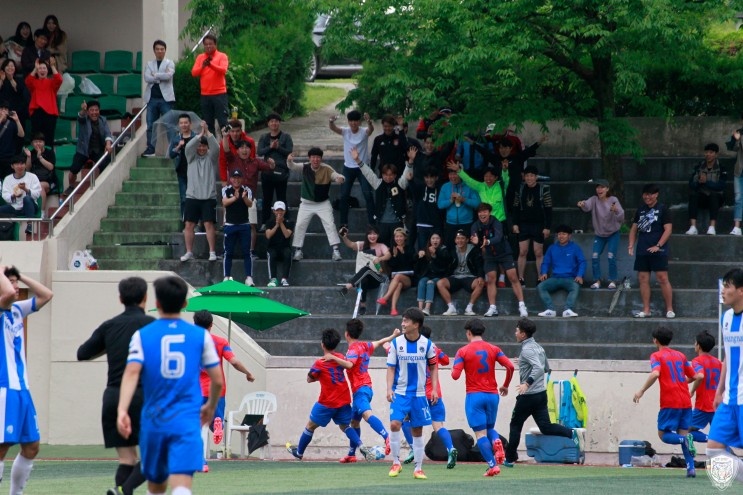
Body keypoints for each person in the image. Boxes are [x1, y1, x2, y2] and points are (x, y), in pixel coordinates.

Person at [117, 276, 223, 495]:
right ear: (185, 303)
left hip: (154, 419)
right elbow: (217, 379)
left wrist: (122, 410)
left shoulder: (142, 335)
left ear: (156, 303)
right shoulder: (201, 336)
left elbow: (131, 373)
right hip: (186, 420)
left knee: (156, 486)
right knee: (181, 485)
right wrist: (211, 406)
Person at [76, 277, 154, 495]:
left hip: (113, 396)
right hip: (143, 396)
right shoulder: (152, 325)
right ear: (145, 297)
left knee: (127, 458)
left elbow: (82, 353)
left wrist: (109, 347)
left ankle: (121, 490)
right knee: (154, 454)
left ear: (120, 298)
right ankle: (123, 490)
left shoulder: (109, 326)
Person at [0, 265, 53, 494]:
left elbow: (47, 295)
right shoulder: (1, 307)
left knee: (32, 446)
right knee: (2, 447)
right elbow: (7, 294)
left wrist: (20, 275)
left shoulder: (16, 310)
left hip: (22, 388)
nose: (15, 286)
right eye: (10, 281)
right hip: (4, 388)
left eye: (16, 282)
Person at [286, 328, 376, 462]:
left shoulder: (319, 363)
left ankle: (299, 453)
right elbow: (348, 365)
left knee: (310, 426)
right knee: (345, 426)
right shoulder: (340, 357)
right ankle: (361, 445)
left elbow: (309, 379)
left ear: (322, 344)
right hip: (344, 399)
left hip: (327, 402)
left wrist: (320, 377)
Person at [504, 318, 584, 467]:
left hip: (528, 396)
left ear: (523, 334)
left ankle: (509, 459)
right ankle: (571, 433)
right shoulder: (538, 347)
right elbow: (546, 367)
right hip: (541, 395)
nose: (515, 333)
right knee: (546, 427)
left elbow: (539, 368)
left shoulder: (527, 350)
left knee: (515, 425)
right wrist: (523, 363)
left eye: (517, 330)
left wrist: (527, 383)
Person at [632, 326, 701, 478]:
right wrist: (681, 382)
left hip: (670, 401)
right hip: (685, 400)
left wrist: (641, 391)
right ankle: (691, 468)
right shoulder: (681, 355)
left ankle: (685, 439)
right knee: (683, 433)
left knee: (663, 434)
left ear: (655, 340)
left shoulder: (656, 356)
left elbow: (655, 373)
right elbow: (695, 376)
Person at [192, 310, 255, 472]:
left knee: (196, 428)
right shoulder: (221, 342)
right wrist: (248, 373)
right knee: (215, 424)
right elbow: (234, 362)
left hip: (197, 391)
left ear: (195, 324)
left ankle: (201, 462)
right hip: (218, 389)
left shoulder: (189, 342)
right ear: (211, 325)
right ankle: (217, 422)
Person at [452, 318, 515, 476]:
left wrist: (456, 365)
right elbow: (510, 366)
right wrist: (505, 385)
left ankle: (493, 465)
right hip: (493, 395)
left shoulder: (463, 351)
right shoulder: (494, 349)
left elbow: (455, 375)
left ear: (468, 333)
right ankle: (496, 441)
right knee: (490, 429)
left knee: (480, 434)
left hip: (475, 396)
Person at [386, 307, 439, 480]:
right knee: (395, 424)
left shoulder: (427, 344)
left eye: (406, 321)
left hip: (419, 394)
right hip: (400, 393)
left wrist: (435, 389)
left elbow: (434, 367)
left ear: (416, 324)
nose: (402, 324)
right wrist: (388, 388)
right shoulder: (396, 343)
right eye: (403, 320)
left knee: (417, 430)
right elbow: (391, 368)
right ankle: (396, 462)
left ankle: (418, 468)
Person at [340, 319, 399, 463]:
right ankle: (351, 454)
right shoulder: (364, 345)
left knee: (367, 415)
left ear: (346, 334)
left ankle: (387, 438)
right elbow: (379, 342)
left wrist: (334, 359)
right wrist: (392, 336)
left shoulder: (353, 350)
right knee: (354, 422)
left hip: (361, 389)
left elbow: (349, 364)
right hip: (364, 388)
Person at [705, 268, 743, 483]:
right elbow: (728, 356)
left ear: (741, 291)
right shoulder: (726, 318)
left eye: (727, 286)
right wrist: (719, 391)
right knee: (713, 452)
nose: (723, 291)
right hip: (729, 399)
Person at [402, 325, 457, 468]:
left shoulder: (413, 349)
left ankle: (413, 448)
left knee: (406, 420)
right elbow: (446, 361)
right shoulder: (434, 348)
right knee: (438, 426)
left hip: (418, 395)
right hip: (435, 393)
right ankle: (450, 448)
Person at [221, 131, 274, 261]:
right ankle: (226, 251)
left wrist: (272, 164)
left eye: (247, 148)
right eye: (242, 148)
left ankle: (251, 251)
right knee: (228, 225)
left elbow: (269, 167)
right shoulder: (232, 159)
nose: (244, 150)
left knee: (251, 225)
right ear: (237, 150)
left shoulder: (255, 162)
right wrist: (225, 136)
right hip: (232, 196)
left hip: (249, 197)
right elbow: (226, 150)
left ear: (251, 150)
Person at [470, 202, 529, 318]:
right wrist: (475, 241)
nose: (482, 214)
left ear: (489, 213)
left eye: (485, 212)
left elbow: (498, 237)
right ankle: (493, 307)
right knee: (491, 279)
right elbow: (474, 236)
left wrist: (487, 242)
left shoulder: (496, 222)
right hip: (489, 255)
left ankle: (522, 306)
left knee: (513, 277)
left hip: (504, 252)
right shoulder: (475, 225)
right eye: (480, 212)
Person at [286, 148, 344, 262]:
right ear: (309, 158)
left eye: (318, 157)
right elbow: (292, 166)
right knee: (300, 225)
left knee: (330, 224)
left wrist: (340, 178)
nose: (315, 160)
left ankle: (336, 251)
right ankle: (298, 250)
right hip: (306, 204)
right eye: (313, 157)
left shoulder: (327, 168)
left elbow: (336, 176)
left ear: (321, 159)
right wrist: (289, 160)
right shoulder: (305, 167)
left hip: (323, 203)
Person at [350, 145, 414, 246]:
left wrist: (410, 161)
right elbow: (368, 174)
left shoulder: (400, 183)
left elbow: (406, 175)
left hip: (397, 223)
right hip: (381, 223)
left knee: (398, 248)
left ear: (395, 175)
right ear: (382, 174)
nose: (388, 177)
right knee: (382, 249)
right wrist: (357, 160)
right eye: (385, 175)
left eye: (390, 175)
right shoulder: (378, 183)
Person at [628, 183, 675, 319]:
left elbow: (668, 229)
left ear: (656, 195)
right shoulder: (640, 210)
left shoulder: (663, 209)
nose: (647, 197)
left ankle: (669, 309)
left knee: (662, 278)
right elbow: (634, 229)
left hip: (658, 250)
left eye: (650, 194)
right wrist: (631, 245)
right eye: (645, 194)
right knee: (643, 278)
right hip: (642, 249)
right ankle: (646, 309)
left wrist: (658, 245)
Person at [180, 121, 219, 262]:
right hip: (192, 196)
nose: (201, 148)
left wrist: (207, 133)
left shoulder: (211, 157)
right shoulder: (191, 157)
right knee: (189, 225)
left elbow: (216, 147)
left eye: (204, 146)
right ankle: (189, 252)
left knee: (209, 224)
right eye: (199, 146)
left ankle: (212, 252)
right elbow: (188, 147)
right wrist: (199, 135)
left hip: (209, 197)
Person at [329, 110, 375, 228]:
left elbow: (371, 130)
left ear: (359, 122)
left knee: (368, 194)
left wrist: (369, 122)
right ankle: (343, 224)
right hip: (348, 168)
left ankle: (372, 223)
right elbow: (334, 128)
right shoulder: (346, 131)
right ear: (348, 122)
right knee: (344, 195)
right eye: (351, 121)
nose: (353, 123)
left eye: (356, 121)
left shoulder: (364, 131)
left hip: (363, 167)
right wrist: (331, 121)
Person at [577, 179, 625, 289]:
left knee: (611, 256)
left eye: (602, 187)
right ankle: (597, 280)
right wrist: (582, 204)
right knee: (594, 256)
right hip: (599, 234)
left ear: (607, 189)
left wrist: (616, 210)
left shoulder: (613, 200)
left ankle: (613, 280)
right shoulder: (594, 199)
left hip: (613, 233)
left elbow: (621, 217)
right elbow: (587, 206)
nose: (599, 190)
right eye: (598, 187)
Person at [512, 165, 552, 286]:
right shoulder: (520, 189)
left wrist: (547, 227)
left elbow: (548, 209)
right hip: (523, 224)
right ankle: (520, 278)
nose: (529, 178)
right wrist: (515, 223)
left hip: (538, 224)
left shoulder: (543, 189)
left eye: (532, 176)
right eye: (527, 176)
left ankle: (541, 277)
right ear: (524, 177)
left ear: (536, 177)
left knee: (538, 252)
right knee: (522, 251)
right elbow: (515, 208)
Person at [339, 225, 391, 316]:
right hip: (363, 278)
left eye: (374, 234)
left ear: (378, 235)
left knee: (367, 269)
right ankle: (363, 306)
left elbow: (388, 255)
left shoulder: (381, 246)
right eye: (370, 234)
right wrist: (344, 237)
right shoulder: (362, 245)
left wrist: (380, 258)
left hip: (377, 278)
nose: (372, 236)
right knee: (363, 279)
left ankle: (349, 286)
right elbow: (350, 244)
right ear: (367, 235)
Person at [536, 225, 586, 318]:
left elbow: (582, 262)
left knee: (575, 286)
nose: (561, 236)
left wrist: (579, 275)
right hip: (555, 278)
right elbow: (546, 262)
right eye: (559, 234)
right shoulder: (552, 248)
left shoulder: (575, 248)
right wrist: (544, 272)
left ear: (569, 236)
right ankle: (550, 310)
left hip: (570, 278)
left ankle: (568, 310)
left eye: (564, 234)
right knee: (541, 286)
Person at [257, 113, 293, 232]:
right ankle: (265, 222)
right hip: (267, 173)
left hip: (282, 173)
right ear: (268, 123)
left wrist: (278, 147)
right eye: (271, 121)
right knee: (266, 198)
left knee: (282, 198)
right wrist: (271, 147)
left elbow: (289, 151)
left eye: (276, 121)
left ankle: (285, 221)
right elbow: (260, 152)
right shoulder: (264, 137)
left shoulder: (286, 137)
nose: (274, 123)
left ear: (279, 123)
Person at [686, 330, 722, 453]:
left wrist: (692, 391)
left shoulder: (697, 361)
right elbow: (696, 376)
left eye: (695, 342)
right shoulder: (718, 362)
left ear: (699, 346)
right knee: (720, 433)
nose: (694, 344)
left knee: (686, 430)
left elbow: (700, 376)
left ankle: (710, 439)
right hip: (717, 404)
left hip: (704, 405)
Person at [68, 100, 113, 192]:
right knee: (74, 169)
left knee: (106, 163)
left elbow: (107, 133)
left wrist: (108, 144)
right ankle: (71, 187)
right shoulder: (84, 119)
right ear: (88, 112)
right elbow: (80, 116)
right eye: (91, 110)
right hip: (83, 150)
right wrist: (83, 110)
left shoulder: (103, 120)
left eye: (96, 110)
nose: (94, 113)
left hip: (97, 149)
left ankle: (101, 184)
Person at [438, 229, 485, 316]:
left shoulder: (473, 249)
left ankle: (469, 307)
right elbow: (444, 260)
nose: (460, 240)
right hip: (455, 277)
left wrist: (480, 276)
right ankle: (451, 307)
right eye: (458, 238)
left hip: (469, 276)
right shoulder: (451, 250)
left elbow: (479, 264)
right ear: (455, 240)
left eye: (462, 238)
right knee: (440, 283)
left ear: (467, 240)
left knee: (480, 283)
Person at [142, 40, 176, 158]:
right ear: (154, 50)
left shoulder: (169, 63)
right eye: (157, 49)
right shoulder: (149, 63)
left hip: (166, 99)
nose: (160, 51)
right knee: (150, 125)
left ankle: (174, 149)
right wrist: (160, 76)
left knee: (170, 125)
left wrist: (155, 75)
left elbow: (168, 76)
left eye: (162, 49)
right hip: (152, 99)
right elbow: (147, 78)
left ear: (165, 50)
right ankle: (151, 149)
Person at [684, 143, 726, 236]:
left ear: (716, 154)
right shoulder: (699, 166)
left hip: (716, 198)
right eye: (706, 152)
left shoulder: (721, 167)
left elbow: (721, 185)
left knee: (714, 196)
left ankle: (712, 227)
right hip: (702, 196)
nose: (708, 155)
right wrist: (699, 182)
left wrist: (707, 182)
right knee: (693, 195)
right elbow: (691, 184)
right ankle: (693, 227)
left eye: (711, 152)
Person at [190, 34, 229, 134]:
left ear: (215, 44)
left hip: (219, 93)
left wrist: (211, 65)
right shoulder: (200, 57)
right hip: (205, 94)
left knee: (223, 121)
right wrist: (203, 66)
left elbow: (223, 70)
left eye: (210, 44)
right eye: (206, 44)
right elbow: (194, 72)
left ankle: (226, 142)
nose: (208, 46)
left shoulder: (222, 56)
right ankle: (211, 143)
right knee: (207, 123)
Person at [221, 169, 254, 285]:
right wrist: (235, 198)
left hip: (244, 225)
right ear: (230, 179)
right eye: (234, 178)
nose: (236, 180)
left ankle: (249, 277)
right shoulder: (226, 190)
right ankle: (226, 276)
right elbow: (224, 202)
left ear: (242, 179)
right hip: (230, 225)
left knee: (247, 252)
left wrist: (243, 197)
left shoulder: (247, 190)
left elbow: (250, 204)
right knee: (228, 252)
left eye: (238, 177)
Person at [376, 227, 417, 317]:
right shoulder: (392, 250)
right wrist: (394, 256)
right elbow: (392, 266)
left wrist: (403, 253)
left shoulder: (410, 248)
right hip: (396, 279)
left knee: (398, 276)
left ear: (405, 237)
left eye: (400, 236)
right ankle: (393, 309)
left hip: (408, 278)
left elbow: (411, 263)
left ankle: (385, 297)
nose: (398, 239)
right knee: (399, 284)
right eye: (396, 237)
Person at [438, 167, 480, 250]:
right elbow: (440, 205)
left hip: (467, 223)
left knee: (468, 248)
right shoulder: (445, 187)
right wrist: (450, 201)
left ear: (461, 174)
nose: (453, 177)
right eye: (450, 174)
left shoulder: (469, 186)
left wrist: (463, 199)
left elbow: (477, 203)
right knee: (450, 249)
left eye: (455, 174)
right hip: (450, 224)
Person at [0, 153, 42, 235]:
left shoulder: (32, 177)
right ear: (12, 166)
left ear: (25, 165)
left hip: (30, 206)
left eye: (22, 164)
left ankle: (30, 225)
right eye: (17, 164)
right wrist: (14, 196)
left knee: (27, 199)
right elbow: (5, 195)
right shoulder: (7, 179)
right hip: (14, 207)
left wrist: (25, 189)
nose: (20, 166)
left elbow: (37, 193)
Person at [25, 57, 61, 149]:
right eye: (40, 68)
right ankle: (35, 156)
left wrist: (52, 66)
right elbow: (28, 81)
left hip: (50, 114)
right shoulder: (34, 82)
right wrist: (35, 68)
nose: (42, 70)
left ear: (47, 71)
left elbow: (59, 79)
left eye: (44, 68)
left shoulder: (51, 83)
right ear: (37, 71)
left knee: (49, 138)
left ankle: (49, 156)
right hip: (37, 113)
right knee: (36, 138)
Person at [414, 232, 451, 316]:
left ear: (440, 240)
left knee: (430, 283)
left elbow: (444, 265)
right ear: (430, 240)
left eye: (437, 238)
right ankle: (420, 309)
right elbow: (418, 266)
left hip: (439, 276)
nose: (435, 240)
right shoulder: (425, 250)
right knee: (422, 281)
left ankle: (427, 308)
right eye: (433, 238)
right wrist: (419, 256)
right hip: (427, 275)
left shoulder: (444, 250)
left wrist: (435, 255)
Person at [168, 113, 195, 221]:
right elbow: (171, 154)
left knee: (194, 198)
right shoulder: (176, 139)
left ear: (190, 123)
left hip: (194, 172)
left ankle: (195, 221)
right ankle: (185, 221)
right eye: (181, 123)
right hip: (181, 172)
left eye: (186, 122)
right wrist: (179, 146)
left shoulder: (195, 137)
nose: (184, 125)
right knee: (183, 198)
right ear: (179, 125)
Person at [409, 166, 443, 250]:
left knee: (435, 249)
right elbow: (414, 192)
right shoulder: (421, 188)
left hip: (436, 225)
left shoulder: (440, 190)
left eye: (431, 177)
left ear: (436, 178)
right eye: (427, 177)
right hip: (422, 224)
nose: (429, 180)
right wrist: (410, 181)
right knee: (423, 250)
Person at [0, 60, 30, 151]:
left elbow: (18, 90)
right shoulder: (1, 79)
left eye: (12, 66)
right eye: (8, 66)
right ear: (3, 68)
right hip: (3, 111)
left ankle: (18, 153)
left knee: (18, 135)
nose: (10, 68)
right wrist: (2, 79)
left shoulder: (19, 79)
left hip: (17, 112)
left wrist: (11, 78)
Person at [24, 132, 57, 212]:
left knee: (40, 186)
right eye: (35, 142)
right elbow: (27, 169)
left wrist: (40, 157)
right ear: (32, 143)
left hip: (48, 181)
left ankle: (42, 212)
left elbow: (51, 167)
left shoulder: (50, 152)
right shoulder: (31, 153)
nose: (38, 144)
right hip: (33, 180)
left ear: (44, 143)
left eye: (40, 141)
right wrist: (28, 157)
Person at [217, 119, 257, 184]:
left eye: (237, 131)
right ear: (229, 131)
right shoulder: (224, 143)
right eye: (232, 131)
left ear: (241, 131)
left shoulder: (250, 141)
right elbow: (222, 161)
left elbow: (252, 160)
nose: (235, 134)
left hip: (247, 175)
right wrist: (224, 180)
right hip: (232, 173)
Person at [265, 200, 293, 287]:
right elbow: (268, 235)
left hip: (284, 247)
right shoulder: (269, 222)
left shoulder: (289, 223)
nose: (279, 212)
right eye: (277, 210)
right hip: (272, 247)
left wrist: (281, 223)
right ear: (274, 211)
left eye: (281, 210)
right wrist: (276, 225)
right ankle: (273, 279)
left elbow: (287, 235)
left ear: (284, 211)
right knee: (272, 254)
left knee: (288, 253)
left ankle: (284, 278)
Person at [0, 100, 26, 178]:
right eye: (1, 109)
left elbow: (21, 135)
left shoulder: (11, 124)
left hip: (9, 158)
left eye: (6, 109)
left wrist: (17, 120)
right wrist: (1, 119)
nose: (3, 111)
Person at [729, 126, 743, 236]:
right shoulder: (740, 132)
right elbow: (733, 148)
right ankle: (737, 227)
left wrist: (740, 140)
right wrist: (736, 139)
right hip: (739, 171)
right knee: (738, 198)